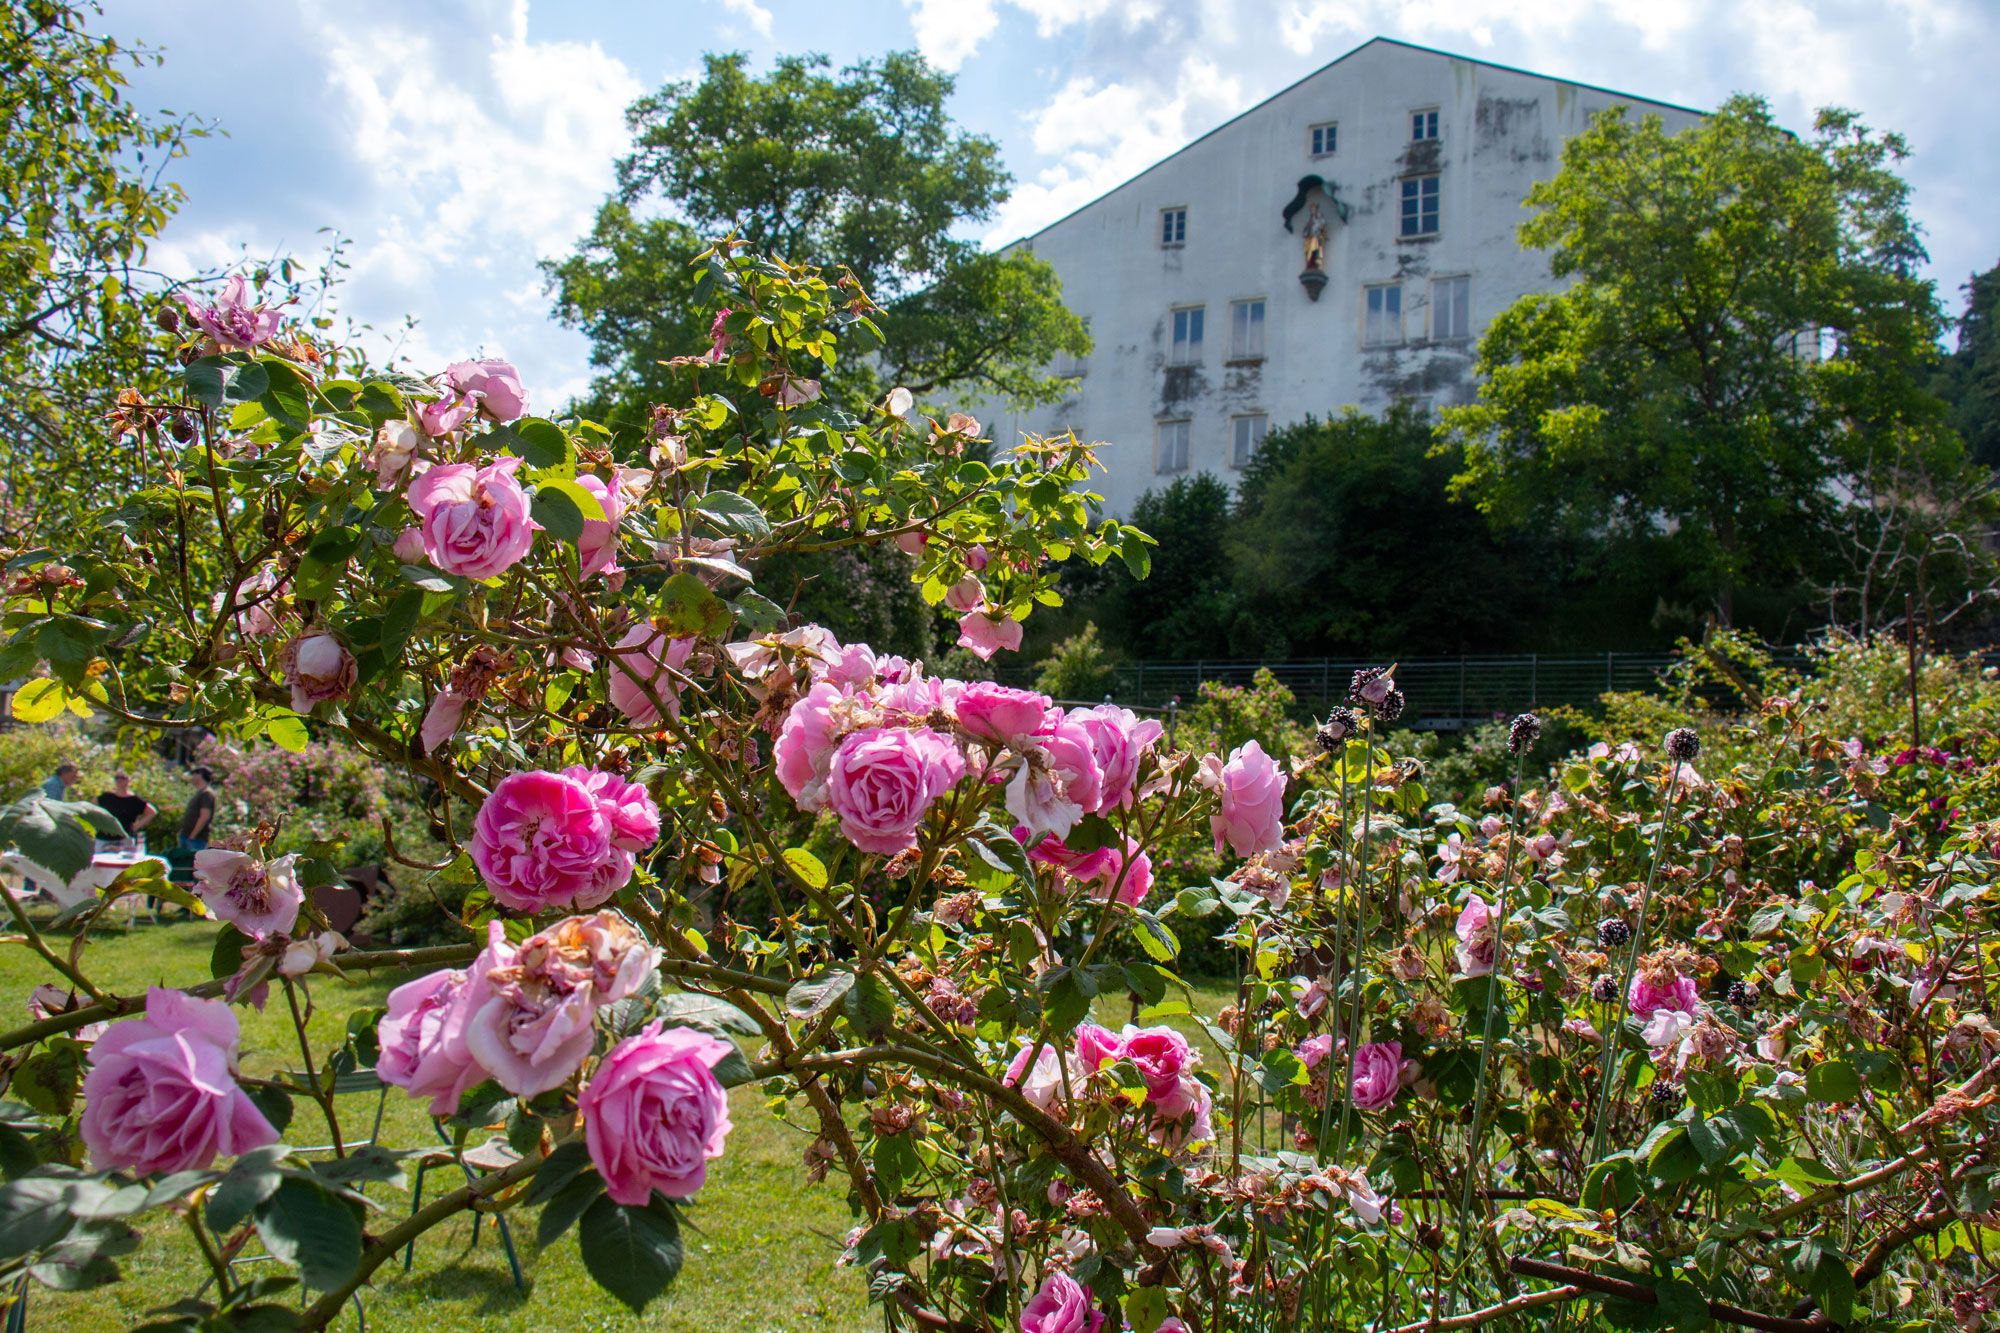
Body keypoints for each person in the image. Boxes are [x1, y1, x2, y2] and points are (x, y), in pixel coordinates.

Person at [95, 771, 157, 843]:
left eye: (123, 778)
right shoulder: (106, 797)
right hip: (103, 839)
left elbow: (152, 812)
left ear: (129, 780)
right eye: (117, 778)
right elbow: (89, 807)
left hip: (124, 840)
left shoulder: (134, 800)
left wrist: (136, 827)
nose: (119, 780)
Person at [180, 766, 216, 852]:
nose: (192, 777)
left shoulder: (207, 793)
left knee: (192, 864)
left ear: (200, 775)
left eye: (193, 774)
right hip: (187, 836)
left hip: (196, 839)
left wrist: (192, 836)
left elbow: (204, 817)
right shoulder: (200, 792)